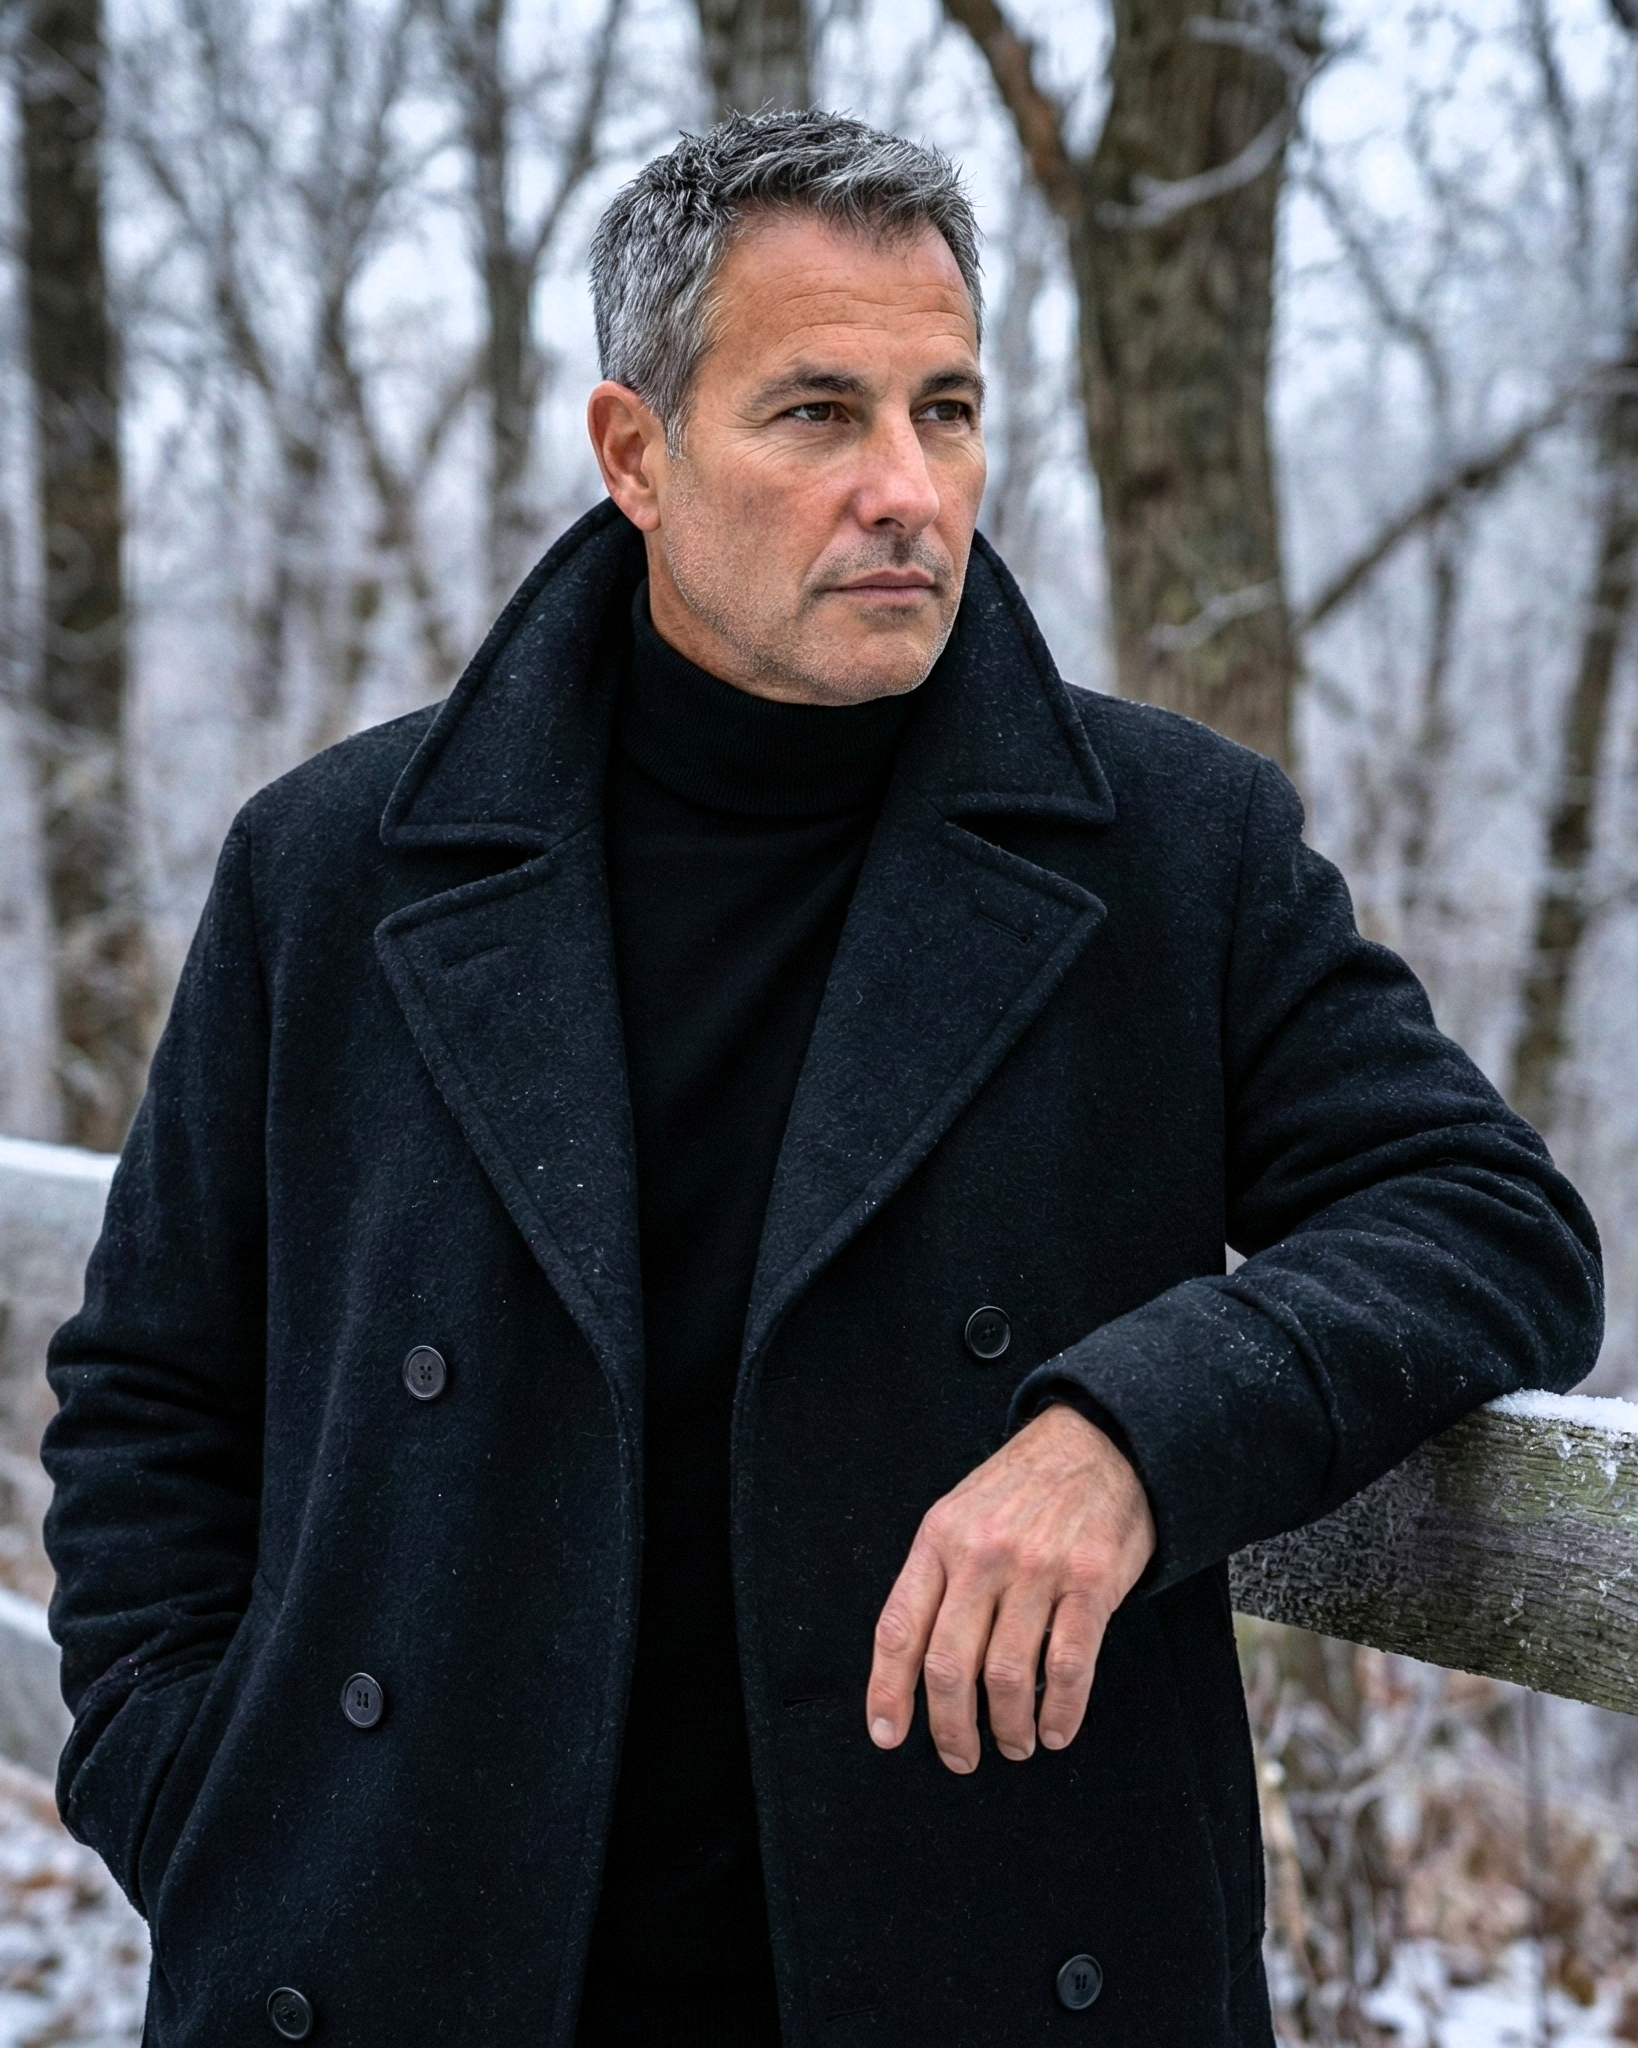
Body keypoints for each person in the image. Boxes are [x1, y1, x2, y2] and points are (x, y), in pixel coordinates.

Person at [42, 109, 1601, 2048]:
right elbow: (148, 1399)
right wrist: (204, 1796)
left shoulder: (1164, 850)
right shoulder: (338, 870)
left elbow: (1492, 1221)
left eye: (947, 410)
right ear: (639, 453)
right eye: (817, 414)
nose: (910, 488)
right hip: (401, 1966)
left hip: (978, 1966)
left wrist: (1127, 1430)